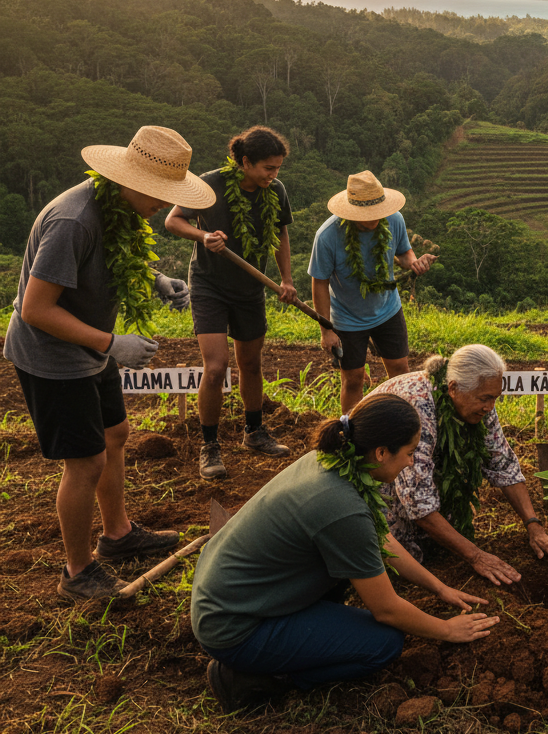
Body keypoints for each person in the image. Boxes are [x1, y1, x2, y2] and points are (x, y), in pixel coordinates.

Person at [3, 125, 217, 601]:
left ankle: (117, 536)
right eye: (160, 194)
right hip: (53, 355)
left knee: (115, 435)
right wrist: (111, 343)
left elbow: (110, 259)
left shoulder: (116, 206)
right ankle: (77, 572)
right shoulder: (73, 220)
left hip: (90, 349)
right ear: (132, 182)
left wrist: (157, 278)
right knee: (85, 462)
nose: (165, 204)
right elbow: (36, 309)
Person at [191, 393, 497, 713]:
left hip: (229, 594)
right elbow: (387, 610)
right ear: (381, 453)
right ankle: (256, 678)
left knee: (347, 577)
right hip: (233, 628)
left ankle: (294, 640)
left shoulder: (334, 460)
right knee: (384, 644)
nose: (411, 462)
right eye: (408, 453)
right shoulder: (342, 506)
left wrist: (438, 587)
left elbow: (379, 540)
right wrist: (447, 629)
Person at [372, 344, 548, 584]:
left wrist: (534, 525)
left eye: (495, 398)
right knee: (396, 559)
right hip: (376, 476)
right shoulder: (417, 409)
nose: (490, 407)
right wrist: (476, 556)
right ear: (453, 388)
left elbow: (502, 463)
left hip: (411, 472)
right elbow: (418, 501)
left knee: (439, 543)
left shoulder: (480, 404)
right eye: (485, 399)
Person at [165, 126, 297, 480]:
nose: (274, 174)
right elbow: (173, 220)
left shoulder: (276, 191)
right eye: (268, 168)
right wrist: (203, 235)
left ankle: (254, 432)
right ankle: (210, 446)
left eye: (278, 168)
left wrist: (286, 279)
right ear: (244, 162)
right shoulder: (210, 185)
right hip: (210, 285)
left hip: (251, 286)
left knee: (251, 363)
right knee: (216, 366)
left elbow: (281, 233)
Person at [308, 171, 436, 414]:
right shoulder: (327, 236)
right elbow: (320, 283)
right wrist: (326, 329)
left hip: (388, 309)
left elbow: (404, 251)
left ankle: (400, 426)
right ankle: (351, 433)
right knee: (354, 379)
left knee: (400, 371)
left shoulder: (394, 219)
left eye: (379, 212)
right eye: (369, 215)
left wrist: (414, 263)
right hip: (347, 317)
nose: (376, 218)